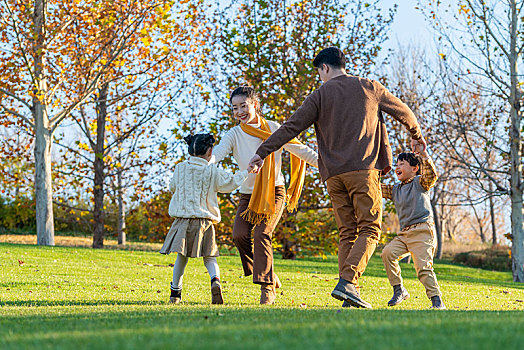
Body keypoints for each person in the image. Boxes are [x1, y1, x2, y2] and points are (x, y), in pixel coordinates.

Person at [248, 47, 426, 308]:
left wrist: (262, 152)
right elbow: (405, 112)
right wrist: (416, 134)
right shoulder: (370, 87)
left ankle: (348, 295)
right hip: (363, 170)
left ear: (325, 68)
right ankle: (348, 282)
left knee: (347, 233)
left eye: (319, 72)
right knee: (370, 229)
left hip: (333, 175)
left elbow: (290, 127)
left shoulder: (319, 95)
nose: (320, 78)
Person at [212, 86, 318, 305]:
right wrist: (201, 163)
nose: (239, 111)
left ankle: (267, 287)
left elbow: (301, 150)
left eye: (243, 106)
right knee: (239, 235)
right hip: (247, 194)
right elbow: (218, 153)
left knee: (262, 233)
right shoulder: (234, 134)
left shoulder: (273, 128)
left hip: (274, 191)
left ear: (255, 105)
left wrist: (328, 165)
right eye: (235, 108)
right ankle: (267, 272)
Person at [160, 133, 248, 305]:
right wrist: (247, 172)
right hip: (205, 223)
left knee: (181, 258)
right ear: (210, 151)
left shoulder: (180, 168)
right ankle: (215, 280)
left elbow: (172, 187)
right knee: (210, 257)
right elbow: (229, 183)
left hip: (183, 221)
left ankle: (175, 294)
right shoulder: (212, 171)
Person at [380, 148, 445, 309]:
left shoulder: (420, 183)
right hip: (404, 234)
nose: (397, 166)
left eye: (402, 163)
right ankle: (399, 290)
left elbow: (431, 175)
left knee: (423, 268)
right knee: (387, 253)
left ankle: (437, 301)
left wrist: (423, 155)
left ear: (415, 169)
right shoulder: (396, 189)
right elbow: (375, 187)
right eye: (397, 164)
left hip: (422, 231)